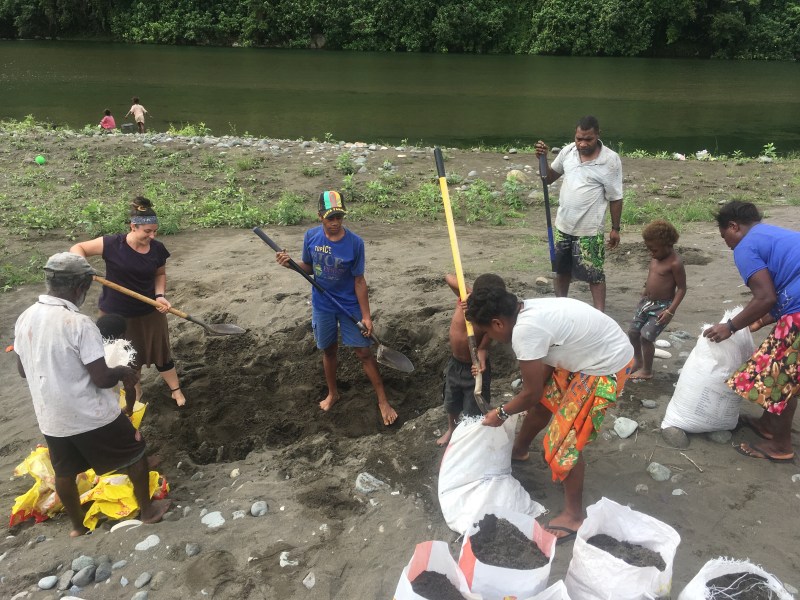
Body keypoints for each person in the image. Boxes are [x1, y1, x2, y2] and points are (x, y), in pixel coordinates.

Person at [13, 252, 170, 537]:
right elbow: (100, 379)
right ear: (81, 286)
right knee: (135, 452)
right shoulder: (79, 323)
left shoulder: (26, 317)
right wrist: (122, 371)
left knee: (64, 472)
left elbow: (23, 371)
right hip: (89, 413)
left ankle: (77, 528)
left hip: (51, 416)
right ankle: (148, 512)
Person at [465, 279, 633, 541]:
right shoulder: (526, 310)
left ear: (498, 323)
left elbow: (529, 393)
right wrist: (524, 400)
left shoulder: (525, 332)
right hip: (586, 352)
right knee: (544, 401)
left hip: (605, 365)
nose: (493, 340)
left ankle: (574, 516)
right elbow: (537, 392)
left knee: (561, 441)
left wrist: (501, 413)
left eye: (487, 332)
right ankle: (519, 451)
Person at [275, 190, 398, 426]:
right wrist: (291, 265)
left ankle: (383, 400)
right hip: (323, 305)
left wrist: (366, 317)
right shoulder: (311, 237)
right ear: (319, 215)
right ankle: (333, 393)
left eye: (339, 217)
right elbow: (309, 267)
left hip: (349, 305)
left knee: (363, 352)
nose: (335, 223)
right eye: (330, 218)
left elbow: (359, 281)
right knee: (329, 351)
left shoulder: (355, 243)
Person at [703, 201, 800, 463]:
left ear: (734, 226)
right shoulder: (772, 235)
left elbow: (765, 296)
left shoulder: (746, 245)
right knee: (782, 367)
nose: (728, 244)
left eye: (726, 236)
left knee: (781, 378)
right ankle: (768, 425)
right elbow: (787, 288)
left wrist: (731, 327)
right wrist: (759, 322)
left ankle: (781, 446)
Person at [70, 196, 186, 407]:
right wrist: (84, 267)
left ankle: (175, 390)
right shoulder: (113, 244)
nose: (152, 235)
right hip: (117, 314)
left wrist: (160, 295)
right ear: (133, 227)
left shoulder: (157, 248)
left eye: (155, 231)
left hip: (150, 309)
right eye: (147, 231)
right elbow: (78, 248)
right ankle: (136, 391)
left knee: (161, 351)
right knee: (125, 358)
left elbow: (159, 274)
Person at [534, 116, 623, 312]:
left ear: (598, 135)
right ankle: (561, 308)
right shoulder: (568, 151)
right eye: (578, 138)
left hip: (589, 230)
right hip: (563, 226)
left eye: (588, 139)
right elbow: (548, 179)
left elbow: (616, 197)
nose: (582, 144)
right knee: (561, 270)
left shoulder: (610, 160)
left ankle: (600, 313)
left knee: (594, 274)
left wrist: (615, 229)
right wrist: (543, 159)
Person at [436, 273, 503, 447]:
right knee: (451, 403)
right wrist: (468, 293)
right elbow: (449, 277)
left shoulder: (488, 317)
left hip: (473, 367)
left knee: (473, 409)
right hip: (454, 364)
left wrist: (481, 356)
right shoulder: (465, 299)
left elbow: (485, 344)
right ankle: (452, 430)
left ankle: (469, 438)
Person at [628, 220, 687, 380]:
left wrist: (670, 311)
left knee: (646, 338)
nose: (651, 253)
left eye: (653, 249)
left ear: (667, 245)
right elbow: (653, 276)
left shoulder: (675, 263)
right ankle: (638, 361)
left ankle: (647, 370)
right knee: (633, 333)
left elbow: (681, 288)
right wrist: (646, 288)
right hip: (646, 302)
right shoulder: (656, 257)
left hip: (662, 308)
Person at [97, 313, 137, 415]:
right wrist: (129, 408)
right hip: (106, 409)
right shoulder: (120, 355)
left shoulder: (84, 346)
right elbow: (129, 388)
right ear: (121, 335)